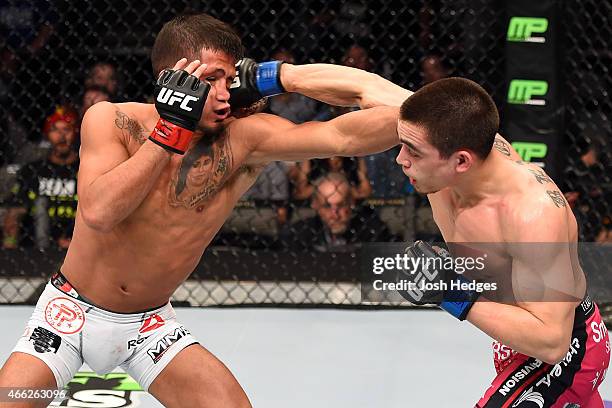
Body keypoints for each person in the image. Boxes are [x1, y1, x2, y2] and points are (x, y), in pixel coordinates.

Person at [0, 12, 406, 408]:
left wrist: (285, 76)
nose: (226, 93)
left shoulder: (243, 139)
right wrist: (169, 132)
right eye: (212, 79)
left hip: (150, 328)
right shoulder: (112, 119)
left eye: (231, 79)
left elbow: (347, 135)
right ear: (171, 79)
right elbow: (99, 211)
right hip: (68, 317)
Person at [360, 75, 609, 406]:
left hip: (564, 351)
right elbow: (361, 87)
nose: (400, 159)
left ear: (461, 161)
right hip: (517, 341)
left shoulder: (532, 215)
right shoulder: (441, 131)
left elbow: (552, 342)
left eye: (414, 152)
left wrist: (453, 292)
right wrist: (277, 77)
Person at [2, 106, 79, 250]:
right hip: (38, 241)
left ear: (74, 133)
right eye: (55, 130)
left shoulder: (85, 169)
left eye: (66, 129)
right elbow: (16, 210)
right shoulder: (32, 171)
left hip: (79, 238)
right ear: (47, 134)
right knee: (40, 203)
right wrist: (9, 243)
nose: (61, 136)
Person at [284, 172, 392, 252]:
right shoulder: (300, 234)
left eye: (341, 205)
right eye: (327, 206)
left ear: (351, 202)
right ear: (315, 205)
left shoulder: (374, 232)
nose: (335, 215)